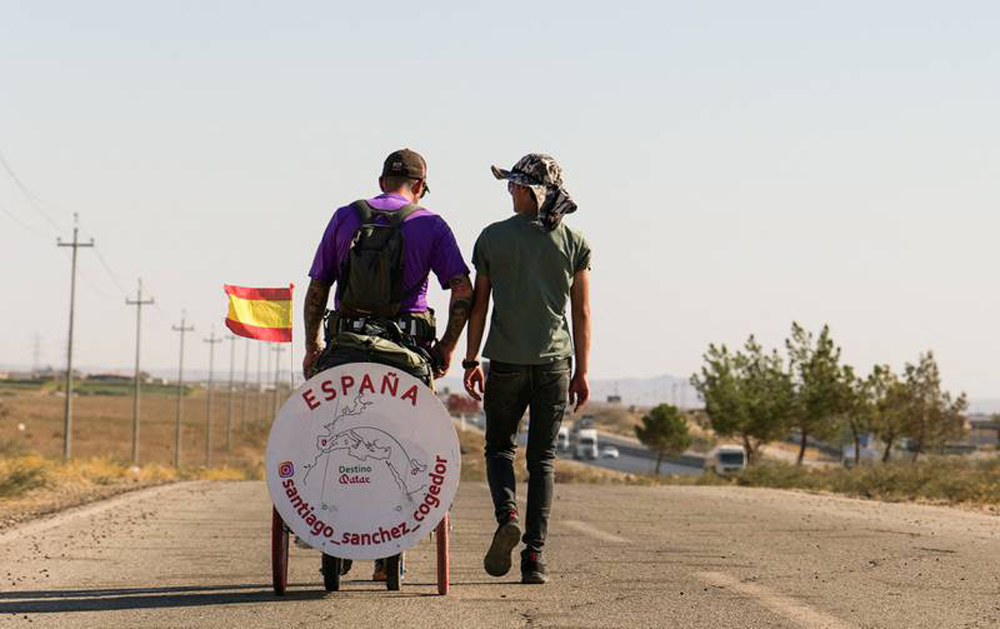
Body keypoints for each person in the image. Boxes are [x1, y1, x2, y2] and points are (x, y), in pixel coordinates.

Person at [303, 148, 472, 581]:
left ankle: (322, 516)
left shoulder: (344, 217)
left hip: (344, 350)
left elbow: (318, 287)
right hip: (406, 355)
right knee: (415, 438)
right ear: (419, 187)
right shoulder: (430, 224)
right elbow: (461, 288)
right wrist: (449, 346)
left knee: (326, 430)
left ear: (381, 182)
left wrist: (313, 345)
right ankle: (391, 549)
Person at [463, 153, 591, 584]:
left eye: (512, 186)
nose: (509, 193)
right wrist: (583, 371)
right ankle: (535, 557)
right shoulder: (574, 242)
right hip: (555, 364)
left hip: (505, 362)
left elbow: (478, 305)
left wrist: (469, 358)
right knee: (543, 460)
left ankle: (507, 515)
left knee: (499, 448)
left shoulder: (492, 238)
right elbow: (583, 312)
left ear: (526, 190)